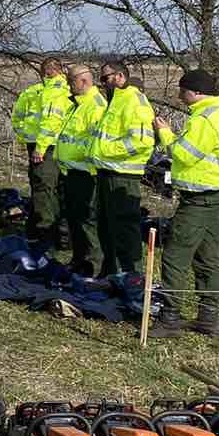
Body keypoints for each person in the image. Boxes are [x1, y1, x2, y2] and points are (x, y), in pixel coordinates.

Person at [148, 70, 219, 338]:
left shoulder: (204, 119)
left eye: (183, 90)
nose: (180, 95)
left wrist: (165, 133)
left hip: (199, 199)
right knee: (207, 259)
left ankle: (170, 318)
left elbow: (183, 155)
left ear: (197, 92)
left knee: (175, 257)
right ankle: (208, 318)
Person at [88, 56, 156, 277]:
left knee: (125, 229)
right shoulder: (115, 100)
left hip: (124, 175)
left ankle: (130, 277)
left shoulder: (134, 101)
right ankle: (110, 274)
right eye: (101, 78)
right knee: (107, 227)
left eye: (106, 77)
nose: (103, 82)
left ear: (120, 76)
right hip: (107, 172)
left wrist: (106, 151)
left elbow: (141, 141)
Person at [55, 65, 106, 274]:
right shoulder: (77, 104)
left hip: (87, 173)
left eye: (71, 81)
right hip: (72, 172)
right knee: (74, 220)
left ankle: (94, 266)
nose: (68, 85)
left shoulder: (96, 106)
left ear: (83, 81)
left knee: (88, 221)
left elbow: (95, 142)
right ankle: (78, 260)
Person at [21, 57, 72, 248]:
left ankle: (45, 236)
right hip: (64, 148)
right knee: (58, 190)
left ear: (48, 73)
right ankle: (58, 234)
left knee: (43, 191)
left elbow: (50, 122)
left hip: (47, 147)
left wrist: (39, 147)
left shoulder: (53, 91)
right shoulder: (68, 90)